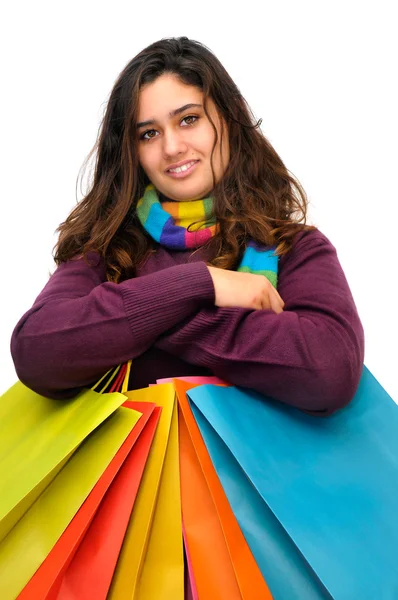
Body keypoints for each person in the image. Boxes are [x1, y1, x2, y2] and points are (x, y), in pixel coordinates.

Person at [10, 36, 364, 416]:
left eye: (188, 119)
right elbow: (38, 350)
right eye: (149, 133)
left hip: (247, 477)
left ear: (228, 120)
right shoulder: (107, 250)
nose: (172, 147)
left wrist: (138, 317)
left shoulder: (292, 248)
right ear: (134, 154)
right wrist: (203, 284)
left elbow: (330, 370)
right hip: (138, 476)